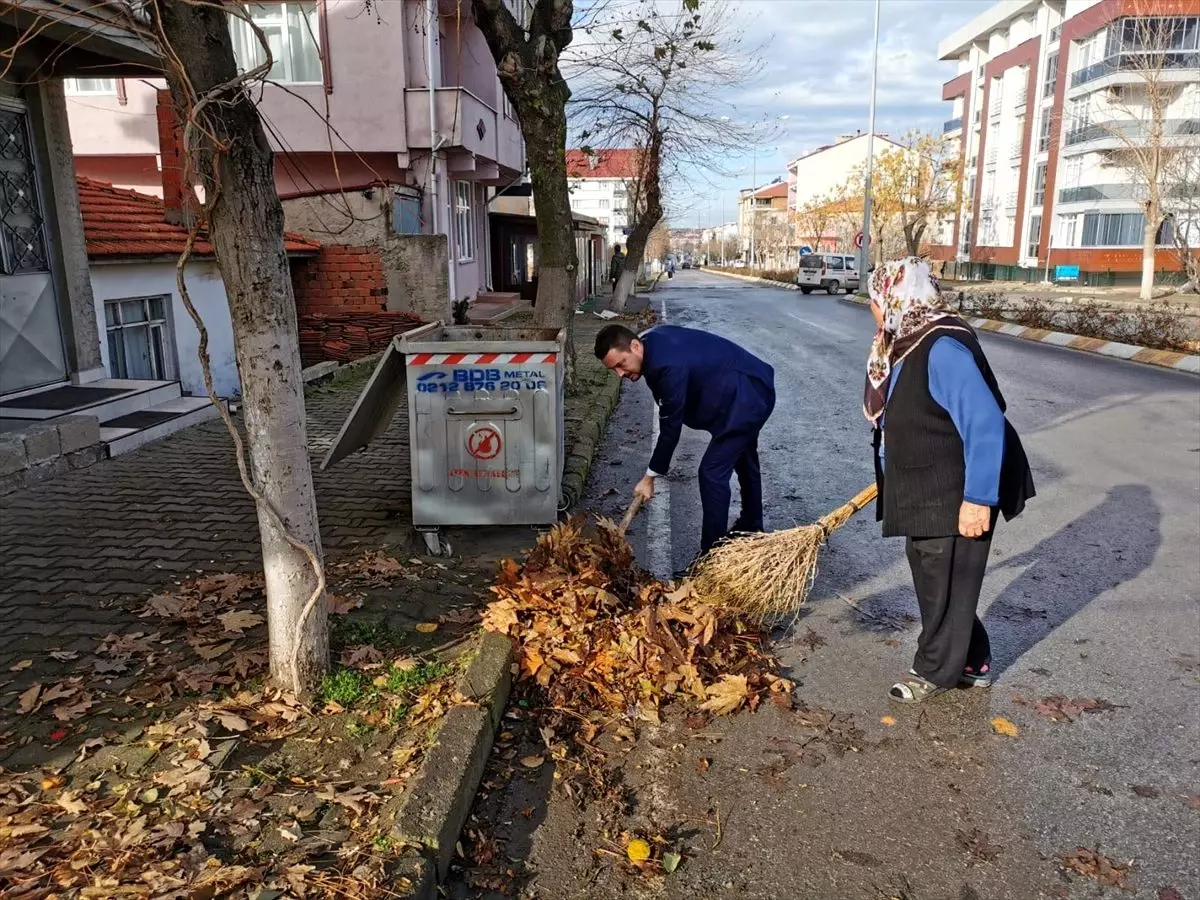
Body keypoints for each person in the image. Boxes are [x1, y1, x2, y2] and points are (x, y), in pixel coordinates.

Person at [864, 257, 1035, 704]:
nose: (874, 312)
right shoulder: (909, 342)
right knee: (937, 581)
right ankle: (973, 662)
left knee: (946, 584)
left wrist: (978, 499)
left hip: (955, 489)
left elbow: (984, 422)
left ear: (898, 298)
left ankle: (932, 671)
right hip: (925, 486)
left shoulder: (941, 347)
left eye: (876, 302)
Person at [594, 323, 776, 564]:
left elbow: (670, 427)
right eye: (613, 369)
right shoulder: (650, 344)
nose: (620, 374)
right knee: (743, 458)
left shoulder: (665, 365)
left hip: (748, 396)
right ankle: (753, 526)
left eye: (621, 364)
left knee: (711, 473)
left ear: (635, 346)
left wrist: (649, 478)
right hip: (743, 390)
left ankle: (711, 557)